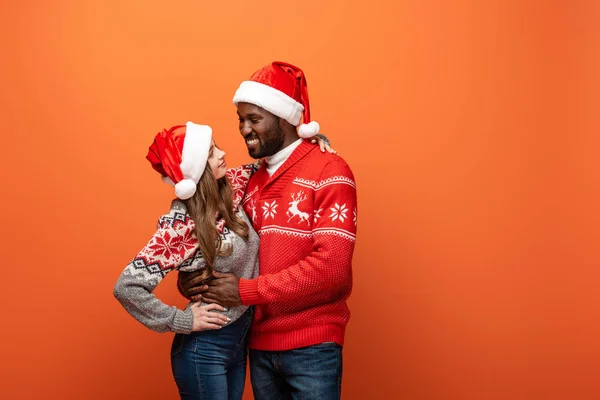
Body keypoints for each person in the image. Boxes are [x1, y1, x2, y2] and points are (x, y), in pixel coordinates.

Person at [113, 121, 333, 400]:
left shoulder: (234, 184)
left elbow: (280, 161)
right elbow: (127, 286)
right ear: (197, 170)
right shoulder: (181, 224)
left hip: (240, 341)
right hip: (205, 350)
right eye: (211, 152)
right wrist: (180, 320)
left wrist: (313, 143)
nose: (222, 153)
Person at [179, 62, 358, 400]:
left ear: (284, 119)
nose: (244, 129)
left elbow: (332, 270)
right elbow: (216, 242)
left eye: (255, 119)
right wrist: (192, 278)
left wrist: (247, 292)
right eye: (241, 120)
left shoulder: (330, 170)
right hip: (257, 346)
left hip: (312, 347)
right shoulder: (246, 181)